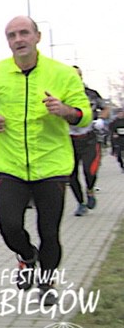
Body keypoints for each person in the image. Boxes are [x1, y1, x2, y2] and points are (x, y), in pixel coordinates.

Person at [0, 16, 91, 308]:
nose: (19, 39)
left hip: (51, 165)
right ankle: (28, 257)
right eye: (12, 35)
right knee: (9, 226)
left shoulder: (62, 74)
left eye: (24, 33)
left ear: (37, 37)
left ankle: (47, 282)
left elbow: (84, 114)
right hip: (11, 164)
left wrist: (65, 110)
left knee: (49, 231)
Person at [67, 66, 105, 216]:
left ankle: (90, 190)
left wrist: (101, 119)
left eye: (76, 75)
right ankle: (80, 203)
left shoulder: (91, 94)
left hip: (89, 138)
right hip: (68, 140)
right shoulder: (61, 94)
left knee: (90, 170)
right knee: (71, 174)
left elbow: (105, 108)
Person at [109, 107, 124, 172]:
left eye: (122, 113)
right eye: (119, 113)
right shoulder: (114, 122)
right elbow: (111, 129)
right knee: (119, 155)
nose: (121, 114)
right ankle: (122, 165)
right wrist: (114, 133)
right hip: (118, 139)